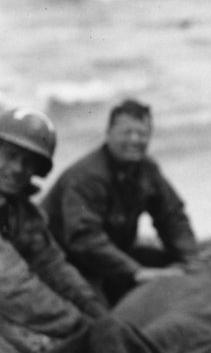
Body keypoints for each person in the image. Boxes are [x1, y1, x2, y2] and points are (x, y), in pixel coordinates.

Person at [41, 98, 200, 306]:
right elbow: (84, 238)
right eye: (127, 132)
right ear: (108, 133)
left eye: (142, 134)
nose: (135, 140)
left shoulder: (147, 169)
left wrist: (190, 260)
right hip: (68, 261)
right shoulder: (86, 177)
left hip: (112, 257)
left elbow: (172, 216)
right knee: (97, 315)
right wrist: (135, 271)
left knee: (182, 271)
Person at [0, 107, 107, 353]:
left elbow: (51, 264)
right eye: (10, 156)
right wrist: (79, 325)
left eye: (28, 163)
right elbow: (12, 286)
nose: (17, 169)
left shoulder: (17, 210)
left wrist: (94, 309)